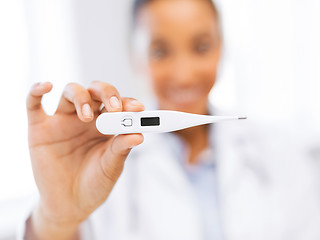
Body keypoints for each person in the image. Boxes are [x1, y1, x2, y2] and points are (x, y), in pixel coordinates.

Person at [22, 0, 320, 239]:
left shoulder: (282, 152)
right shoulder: (100, 160)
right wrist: (55, 217)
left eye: (201, 46)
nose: (184, 74)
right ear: (134, 57)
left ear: (222, 47)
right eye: (160, 51)